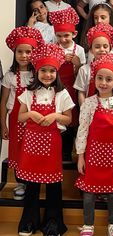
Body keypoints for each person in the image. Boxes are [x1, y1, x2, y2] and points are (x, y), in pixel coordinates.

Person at [16, 43, 74, 236]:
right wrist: (31, 113)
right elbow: (20, 117)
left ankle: (53, 223)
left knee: (53, 185)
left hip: (51, 145)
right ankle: (29, 221)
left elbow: (68, 118)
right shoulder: (28, 93)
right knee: (32, 185)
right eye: (43, 71)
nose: (47, 75)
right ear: (37, 71)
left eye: (51, 71)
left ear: (56, 73)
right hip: (31, 145)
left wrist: (55, 117)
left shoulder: (62, 93)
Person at [75, 53, 113, 236]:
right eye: (100, 78)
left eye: (109, 79)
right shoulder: (89, 104)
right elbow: (83, 130)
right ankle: (88, 225)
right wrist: (80, 157)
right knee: (89, 191)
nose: (103, 82)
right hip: (92, 155)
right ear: (94, 79)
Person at [0, 26, 44, 201]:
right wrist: (3, 125)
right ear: (14, 52)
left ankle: (34, 179)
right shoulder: (10, 76)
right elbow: (3, 102)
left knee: (32, 149)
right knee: (18, 150)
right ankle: (21, 182)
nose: (24, 55)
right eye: (20, 51)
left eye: (28, 51)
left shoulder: (38, 74)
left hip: (34, 118)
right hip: (15, 118)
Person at [50, 6, 86, 161]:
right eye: (59, 36)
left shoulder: (79, 50)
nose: (63, 39)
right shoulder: (52, 48)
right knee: (58, 119)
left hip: (73, 89)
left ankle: (67, 153)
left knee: (72, 121)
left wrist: (77, 64)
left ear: (74, 34)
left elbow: (82, 75)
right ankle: (56, 151)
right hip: (56, 89)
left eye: (66, 36)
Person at [74, 22, 113, 105]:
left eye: (105, 46)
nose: (102, 49)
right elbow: (81, 92)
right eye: (97, 47)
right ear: (91, 50)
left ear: (110, 48)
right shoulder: (84, 70)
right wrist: (84, 110)